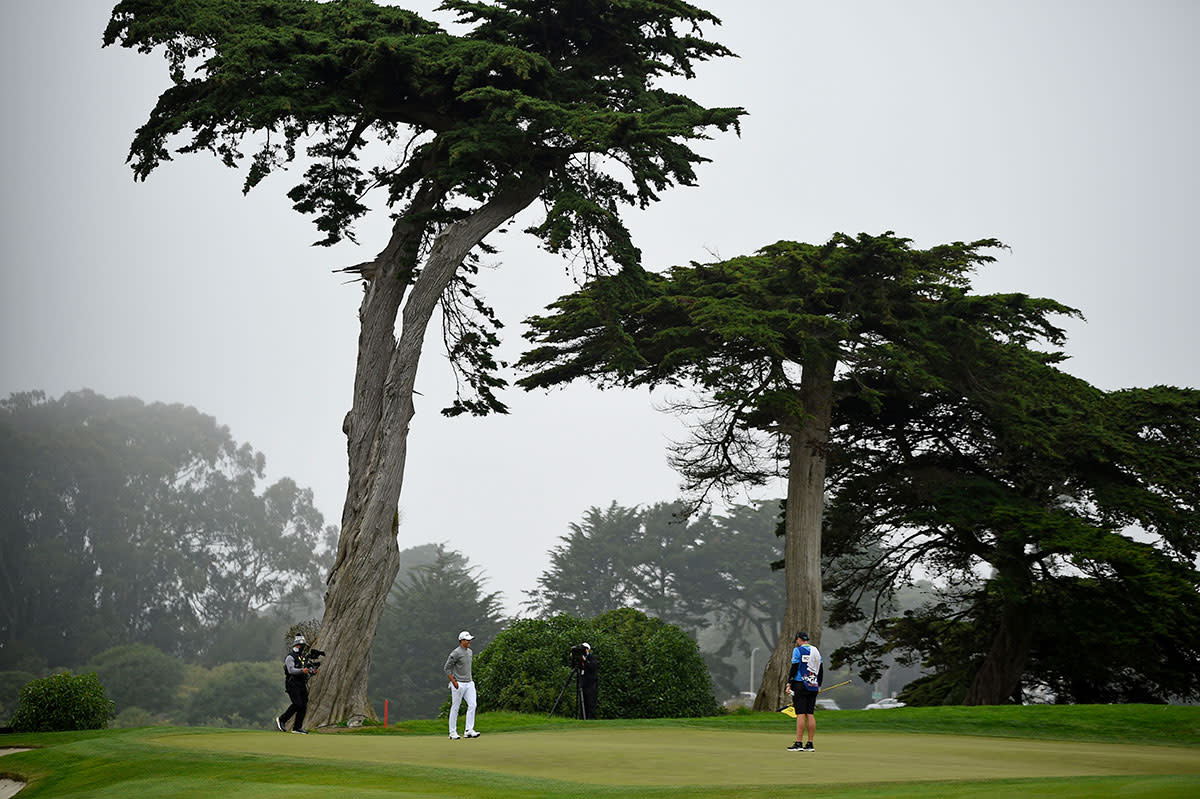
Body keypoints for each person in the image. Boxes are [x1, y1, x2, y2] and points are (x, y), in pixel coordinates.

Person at [786, 631, 822, 752]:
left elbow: (794, 667)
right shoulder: (816, 651)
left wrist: (789, 683)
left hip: (800, 684)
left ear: (799, 639)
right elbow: (820, 669)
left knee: (800, 714)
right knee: (810, 714)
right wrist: (819, 685)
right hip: (813, 684)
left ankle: (799, 743)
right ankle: (810, 744)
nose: (796, 642)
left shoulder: (798, 650)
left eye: (797, 640)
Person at [444, 630, 480, 740]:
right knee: (455, 707)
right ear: (462, 641)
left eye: (470, 640)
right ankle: (452, 732)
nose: (469, 642)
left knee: (472, 705)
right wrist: (454, 682)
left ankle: (468, 730)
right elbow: (447, 668)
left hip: (469, 683)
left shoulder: (470, 652)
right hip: (458, 684)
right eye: (467, 640)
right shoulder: (455, 653)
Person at [277, 634, 314, 734]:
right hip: (292, 683)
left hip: (302, 683)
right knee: (297, 703)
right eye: (301, 646)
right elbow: (291, 670)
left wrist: (312, 671)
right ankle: (282, 719)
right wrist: (303, 670)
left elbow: (308, 668)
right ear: (296, 646)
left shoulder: (303, 657)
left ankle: (297, 727)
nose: (302, 648)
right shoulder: (290, 657)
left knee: (303, 704)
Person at [579, 642, 599, 719]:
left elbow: (592, 667)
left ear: (588, 650)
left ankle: (591, 719)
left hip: (591, 684)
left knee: (591, 702)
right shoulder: (580, 659)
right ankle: (582, 718)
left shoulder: (592, 657)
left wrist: (585, 660)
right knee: (583, 702)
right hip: (584, 683)